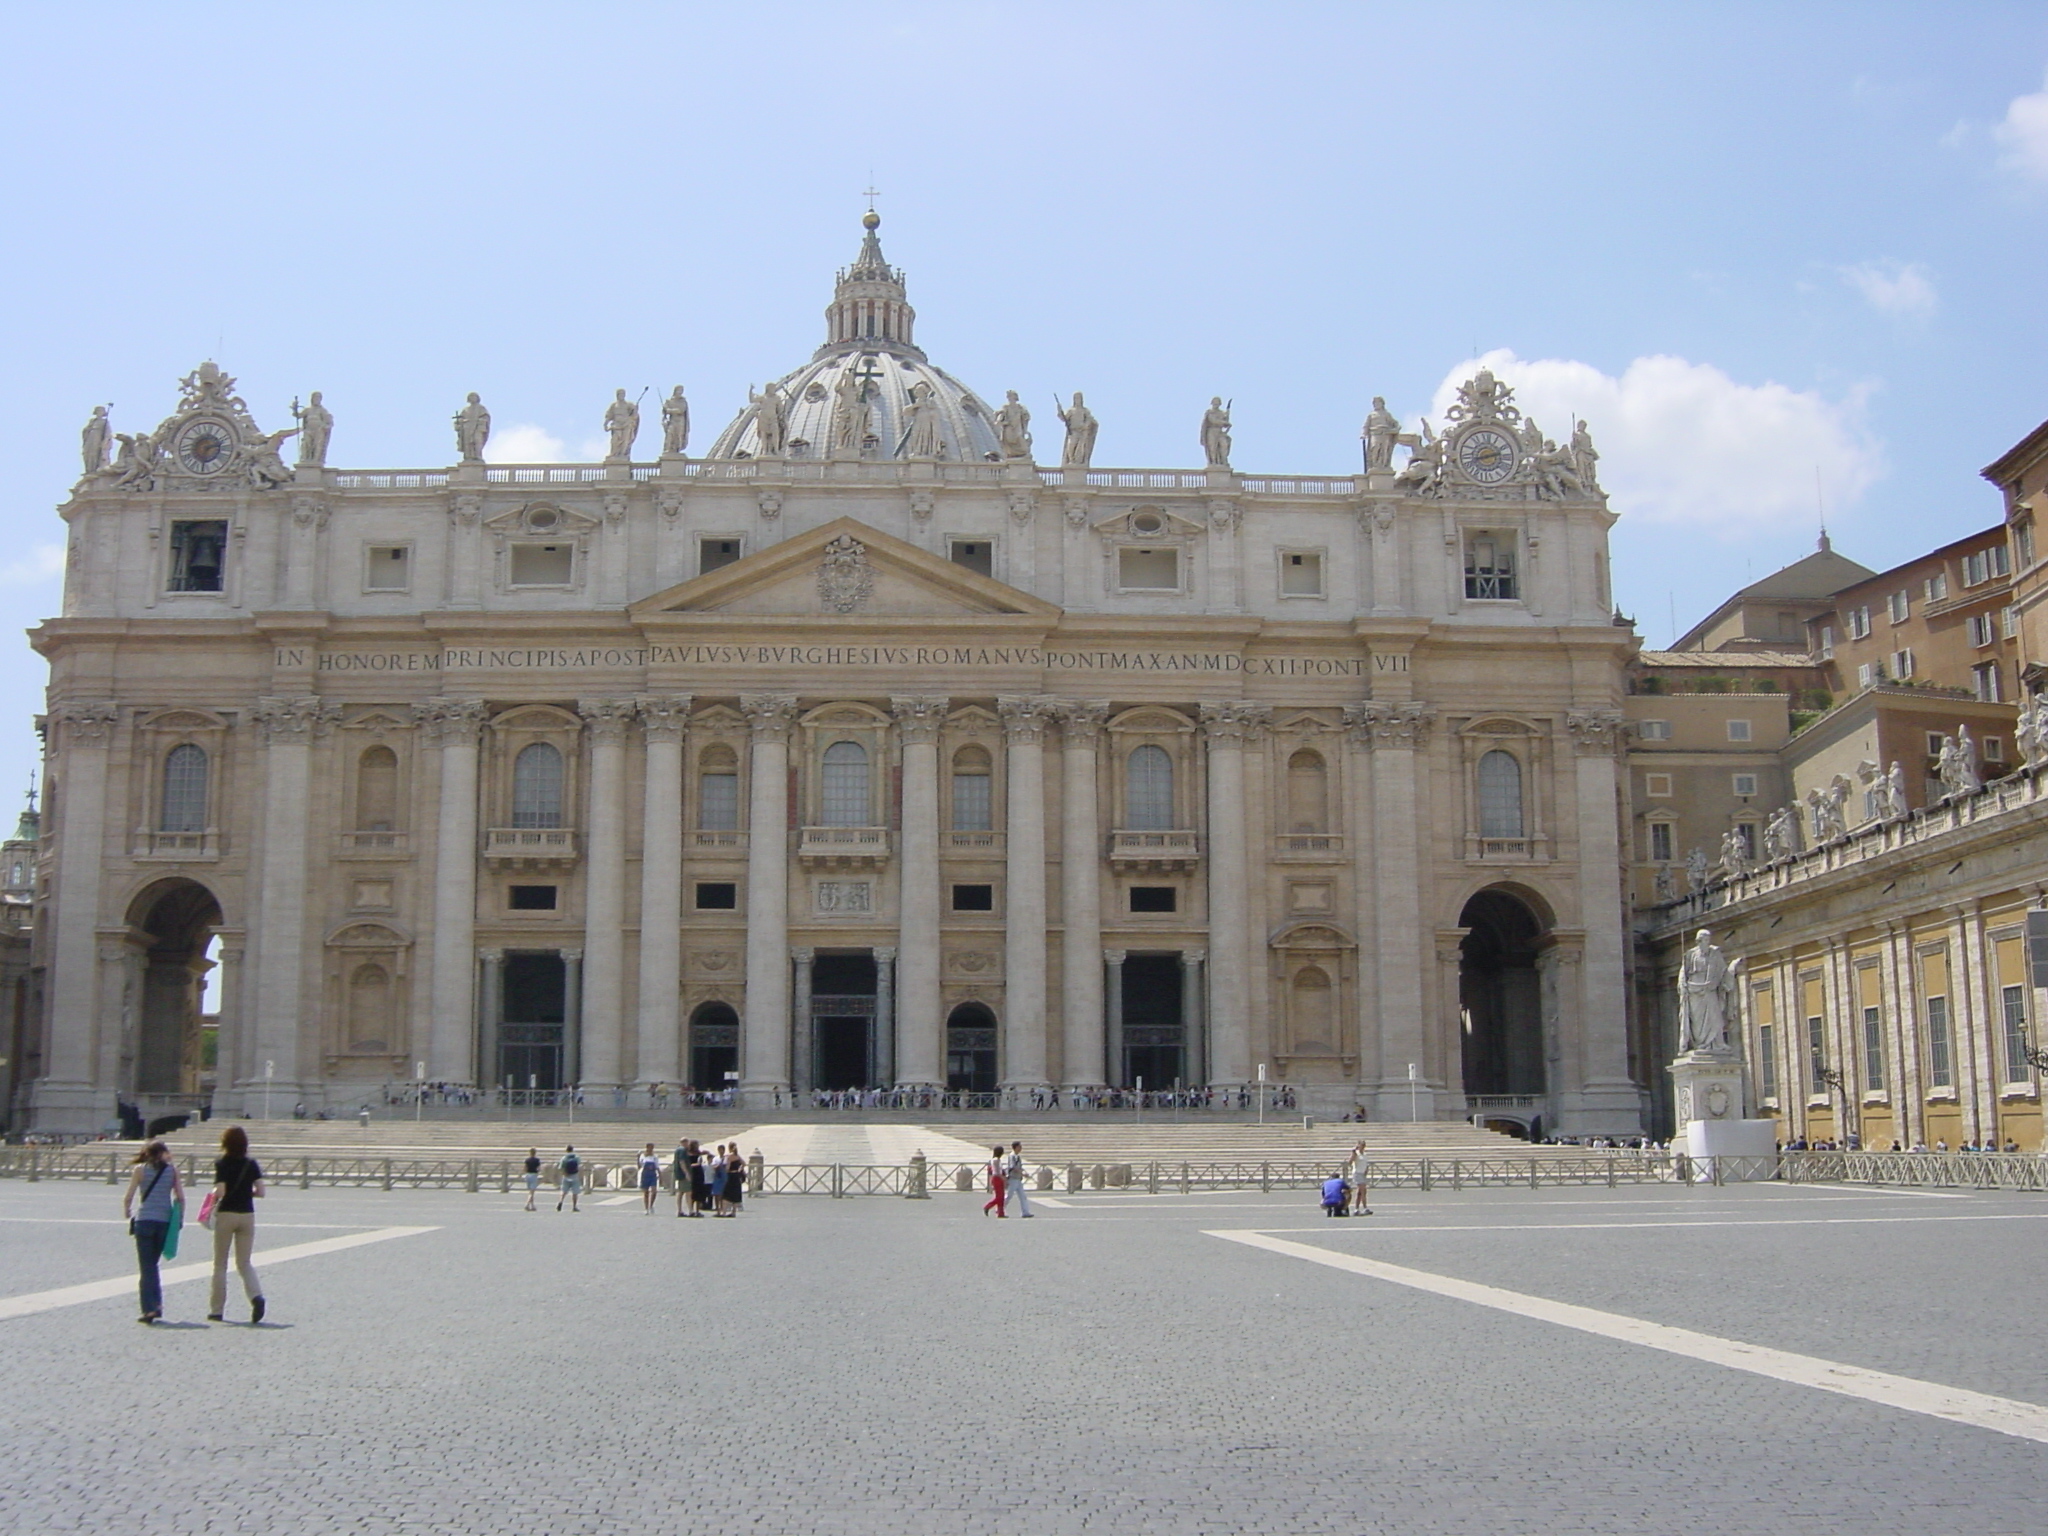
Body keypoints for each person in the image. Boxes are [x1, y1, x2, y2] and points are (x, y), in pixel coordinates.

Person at [205, 1126, 267, 1324]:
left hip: (227, 1214)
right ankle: (256, 1296)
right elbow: (261, 1191)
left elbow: (221, 1191)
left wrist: (214, 1194)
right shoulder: (251, 1164)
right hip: (247, 1215)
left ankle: (216, 1310)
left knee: (220, 1264)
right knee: (244, 1262)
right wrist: (246, 1193)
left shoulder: (222, 1163)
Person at [122, 1139, 183, 1325]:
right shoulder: (172, 1171)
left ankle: (150, 1308)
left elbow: (129, 1196)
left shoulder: (140, 1170)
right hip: (163, 1222)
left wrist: (127, 1211)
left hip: (144, 1220)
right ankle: (156, 1305)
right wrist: (179, 1219)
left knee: (146, 1267)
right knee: (153, 1265)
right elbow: (180, 1197)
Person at [1005, 1141, 1034, 1218]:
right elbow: (1013, 1167)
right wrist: (1023, 1174)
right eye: (1019, 1147)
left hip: (1018, 1178)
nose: (1021, 1148)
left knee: (1023, 1196)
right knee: (1009, 1196)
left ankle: (1025, 1212)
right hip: (1013, 1178)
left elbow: (1018, 1167)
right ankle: (1000, 1208)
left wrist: (1023, 1173)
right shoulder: (1012, 1156)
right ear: (1016, 1147)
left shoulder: (1017, 1156)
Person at [982, 1145, 1008, 1218]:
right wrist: (1003, 1178)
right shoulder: (996, 1160)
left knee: (1001, 1196)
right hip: (997, 1178)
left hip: (997, 1177)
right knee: (999, 1197)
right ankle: (987, 1206)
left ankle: (1001, 1213)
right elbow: (997, 1171)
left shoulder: (995, 1160)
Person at [556, 1146, 582, 1212]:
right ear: (572, 1150)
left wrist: (564, 1174)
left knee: (564, 1191)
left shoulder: (564, 1158)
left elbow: (560, 1168)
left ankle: (560, 1202)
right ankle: (574, 1206)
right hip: (574, 1176)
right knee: (575, 1192)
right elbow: (579, 1166)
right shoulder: (576, 1157)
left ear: (566, 1150)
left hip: (566, 1176)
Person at [638, 1142, 661, 1214]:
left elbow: (657, 1167)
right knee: (646, 1192)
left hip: (652, 1174)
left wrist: (660, 1176)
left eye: (652, 1148)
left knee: (654, 1191)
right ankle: (646, 1208)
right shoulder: (643, 1156)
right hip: (645, 1174)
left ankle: (651, 1205)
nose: (651, 1149)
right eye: (649, 1147)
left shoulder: (655, 1156)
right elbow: (640, 1166)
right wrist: (637, 1158)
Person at [672, 1138, 693, 1217]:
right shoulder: (682, 1150)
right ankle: (690, 1210)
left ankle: (680, 1210)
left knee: (680, 1192)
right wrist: (686, 1173)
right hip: (683, 1174)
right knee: (688, 1192)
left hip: (678, 1173)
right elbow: (682, 1162)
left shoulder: (677, 1150)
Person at [723, 1147, 746, 1216]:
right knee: (736, 1194)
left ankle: (724, 1212)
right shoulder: (737, 1156)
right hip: (737, 1175)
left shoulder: (729, 1157)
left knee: (726, 1194)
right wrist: (740, 1169)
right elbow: (744, 1163)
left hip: (731, 1175)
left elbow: (727, 1168)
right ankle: (734, 1212)